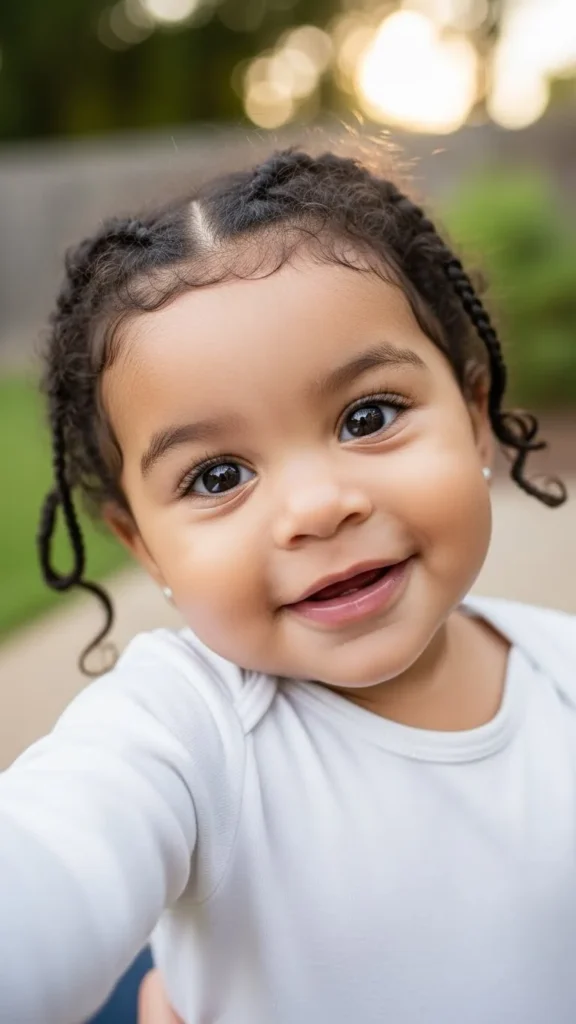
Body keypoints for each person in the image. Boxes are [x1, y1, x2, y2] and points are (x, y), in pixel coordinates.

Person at [0, 146, 573, 1024]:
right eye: (218, 476)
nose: (316, 508)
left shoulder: (563, 671)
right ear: (145, 547)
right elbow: (45, 871)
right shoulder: (181, 729)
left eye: (368, 416)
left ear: (473, 419)